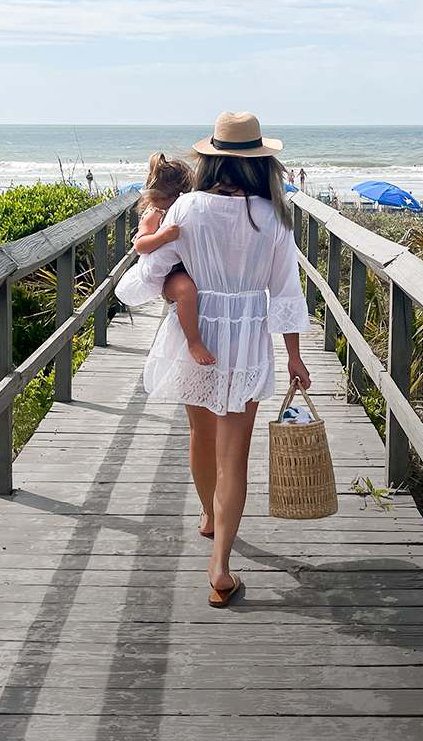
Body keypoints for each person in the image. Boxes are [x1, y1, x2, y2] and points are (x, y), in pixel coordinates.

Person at [116, 111, 311, 607]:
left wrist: (158, 260)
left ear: (212, 159)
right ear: (260, 164)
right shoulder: (273, 217)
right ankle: (221, 566)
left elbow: (141, 281)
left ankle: (208, 514)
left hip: (196, 334)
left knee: (200, 434)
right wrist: (294, 356)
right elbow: (286, 293)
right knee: (234, 454)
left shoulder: (185, 208)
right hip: (247, 338)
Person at [131, 153, 215, 366]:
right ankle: (194, 341)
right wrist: (162, 236)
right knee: (187, 291)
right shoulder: (155, 213)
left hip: (186, 265)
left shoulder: (184, 209)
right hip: (170, 273)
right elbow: (140, 245)